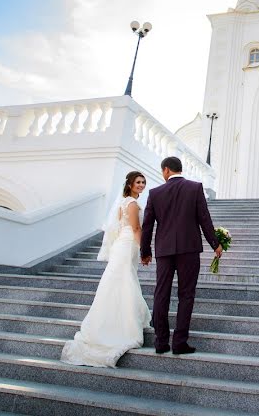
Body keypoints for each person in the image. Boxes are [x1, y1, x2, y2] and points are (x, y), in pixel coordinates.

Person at [60, 171, 151, 367]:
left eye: (143, 182)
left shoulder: (123, 202)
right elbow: (136, 229)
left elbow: (119, 227)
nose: (141, 185)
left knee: (117, 281)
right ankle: (123, 326)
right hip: (127, 245)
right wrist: (144, 250)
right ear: (130, 184)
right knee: (125, 281)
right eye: (138, 182)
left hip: (121, 244)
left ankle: (107, 322)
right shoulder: (133, 204)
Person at [141, 156, 222, 355]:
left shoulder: (155, 193)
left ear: (166, 170)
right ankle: (179, 343)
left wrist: (145, 251)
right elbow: (204, 218)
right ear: (179, 169)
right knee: (186, 295)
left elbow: (147, 226)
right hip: (189, 249)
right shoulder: (195, 188)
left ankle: (161, 343)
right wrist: (215, 244)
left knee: (161, 294)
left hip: (164, 251)